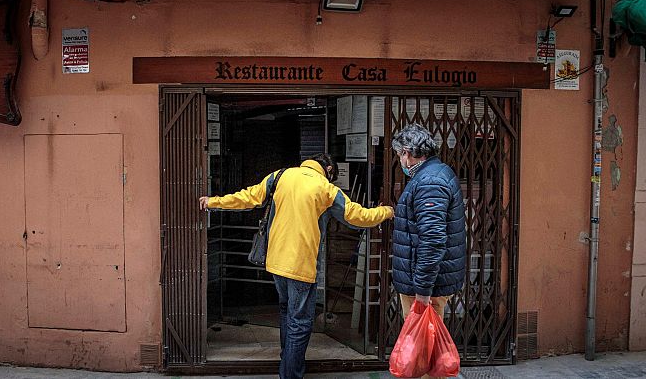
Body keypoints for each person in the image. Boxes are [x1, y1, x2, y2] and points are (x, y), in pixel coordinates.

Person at [199, 153, 393, 379]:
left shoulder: (280, 176)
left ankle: (287, 361)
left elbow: (248, 197)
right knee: (300, 322)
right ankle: (290, 374)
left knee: (286, 311)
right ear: (329, 170)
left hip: (275, 262)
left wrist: (213, 201)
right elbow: (356, 216)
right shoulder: (325, 188)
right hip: (301, 266)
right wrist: (386, 211)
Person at [391, 124, 466, 379]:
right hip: (425, 282)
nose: (400, 160)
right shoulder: (434, 174)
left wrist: (422, 291)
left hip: (424, 286)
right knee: (424, 353)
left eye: (400, 154)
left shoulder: (429, 182)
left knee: (421, 358)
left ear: (409, 152)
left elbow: (432, 240)